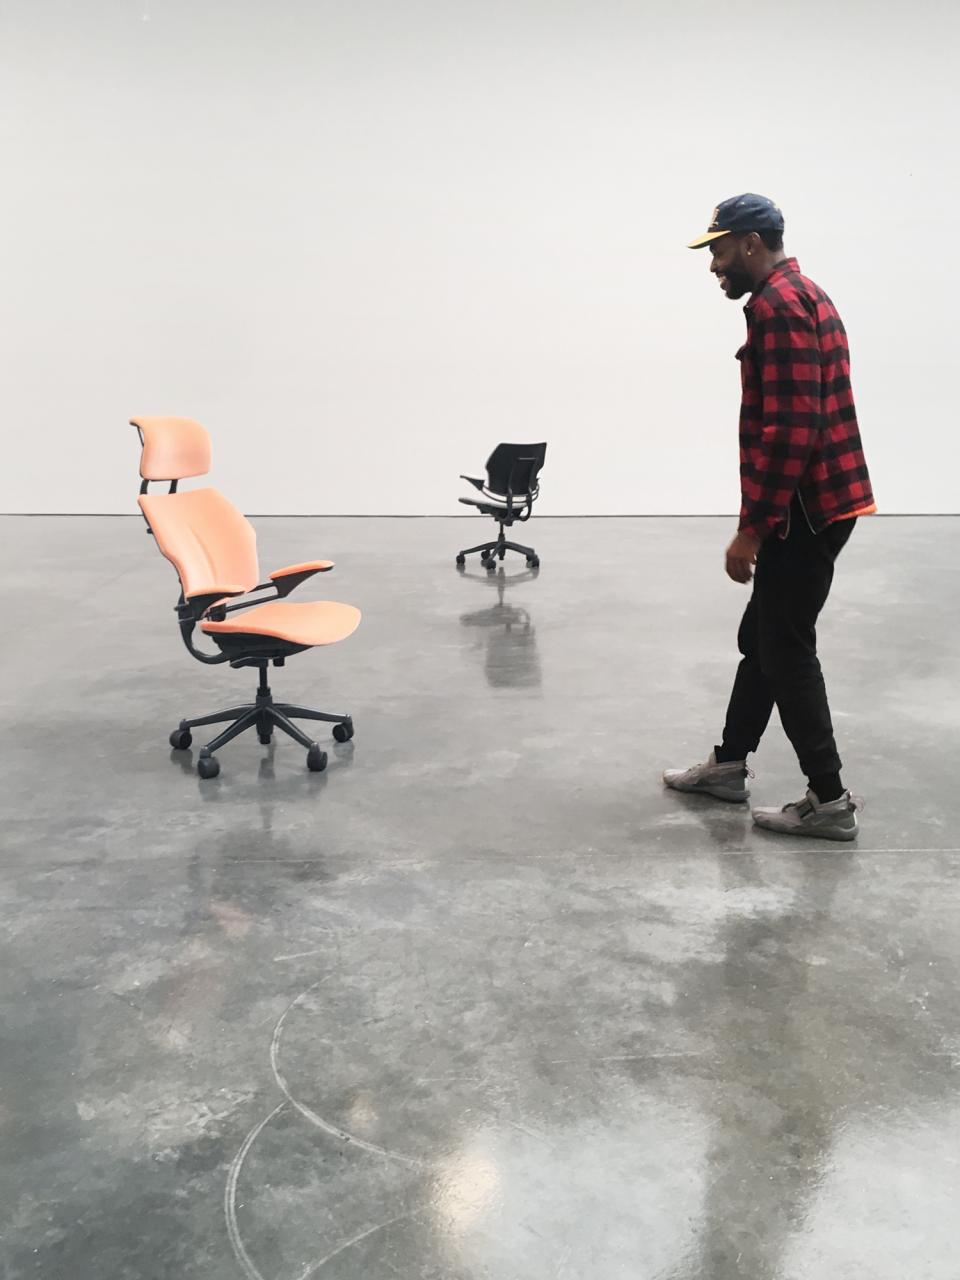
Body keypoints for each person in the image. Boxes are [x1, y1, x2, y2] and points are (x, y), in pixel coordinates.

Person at [663, 194, 875, 840]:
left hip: (801, 511)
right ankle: (729, 764)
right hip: (825, 502)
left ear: (751, 243)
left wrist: (750, 531)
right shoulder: (808, 294)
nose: (713, 266)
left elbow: (790, 433)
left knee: (785, 649)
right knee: (764, 638)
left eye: (719, 251)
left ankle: (829, 799)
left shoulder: (777, 309)